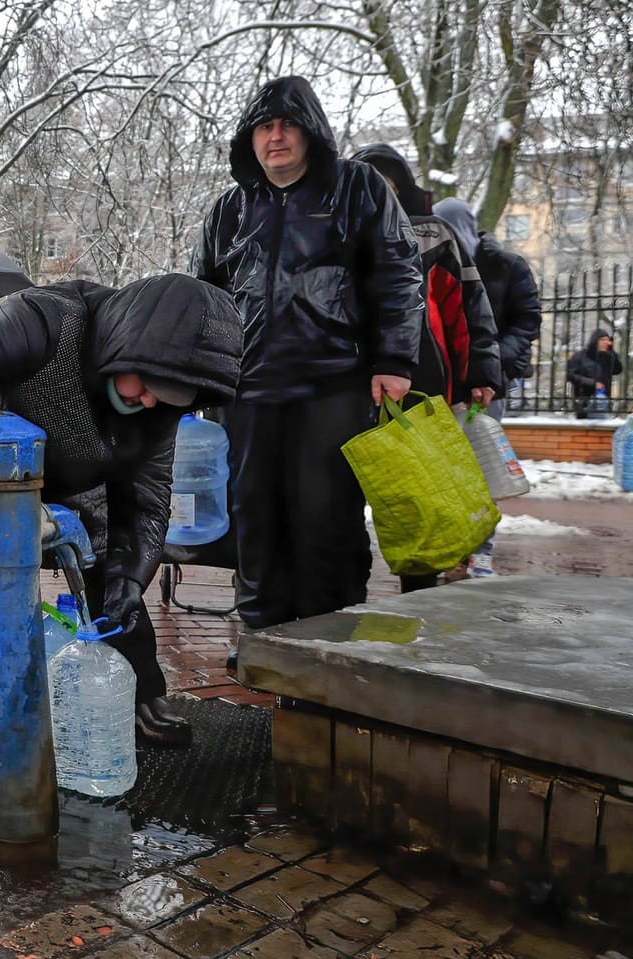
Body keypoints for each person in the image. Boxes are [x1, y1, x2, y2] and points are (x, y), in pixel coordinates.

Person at [0, 275, 244, 756]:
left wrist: (132, 576)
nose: (148, 401)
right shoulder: (48, 319)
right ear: (130, 345)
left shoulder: (155, 413)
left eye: (166, 397)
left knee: (115, 575)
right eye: (147, 384)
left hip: (84, 480)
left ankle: (146, 692)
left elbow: (146, 499)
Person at [193, 76, 423, 654]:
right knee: (254, 513)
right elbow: (205, 296)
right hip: (248, 391)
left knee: (326, 515)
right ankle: (264, 637)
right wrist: (199, 372)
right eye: (264, 127)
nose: (276, 137)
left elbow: (397, 273)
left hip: (333, 384)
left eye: (287, 125)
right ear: (250, 140)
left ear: (310, 131)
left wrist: (394, 358)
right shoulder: (228, 209)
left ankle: (330, 640)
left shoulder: (358, 188)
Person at [348, 145, 503, 588]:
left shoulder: (433, 234)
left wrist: (480, 374)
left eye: (387, 183)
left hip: (422, 380)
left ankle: (420, 587)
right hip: (346, 383)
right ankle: (345, 588)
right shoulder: (337, 233)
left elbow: (469, 309)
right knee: (345, 494)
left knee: (419, 487)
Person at [433, 196, 540, 575]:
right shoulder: (433, 261)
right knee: (444, 473)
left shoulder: (506, 265)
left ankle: (480, 548)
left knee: (482, 470)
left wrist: (494, 362)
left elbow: (527, 320)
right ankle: (453, 546)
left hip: (486, 388)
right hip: (443, 387)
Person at [567, 331, 622, 419]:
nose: (605, 342)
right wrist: (593, 383)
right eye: (602, 340)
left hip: (603, 399)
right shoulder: (581, 356)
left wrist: (611, 351)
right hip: (585, 399)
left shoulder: (607, 357)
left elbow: (617, 370)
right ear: (595, 341)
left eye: (607, 340)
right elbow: (571, 375)